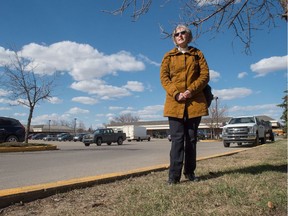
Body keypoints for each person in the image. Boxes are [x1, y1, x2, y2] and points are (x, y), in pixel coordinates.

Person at [160, 24, 210, 184]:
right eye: (176, 34)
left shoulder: (197, 54)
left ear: (189, 36)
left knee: (191, 139)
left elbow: (204, 76)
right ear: (174, 39)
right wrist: (176, 93)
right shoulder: (168, 56)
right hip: (174, 104)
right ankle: (173, 177)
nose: (180, 35)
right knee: (177, 140)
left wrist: (190, 91)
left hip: (194, 103)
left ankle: (190, 172)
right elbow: (164, 78)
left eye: (183, 33)